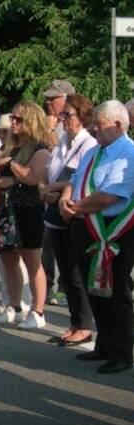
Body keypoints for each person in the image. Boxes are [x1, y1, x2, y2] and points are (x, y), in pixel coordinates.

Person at [60, 100, 134, 374]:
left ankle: (121, 351)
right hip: (84, 224)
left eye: (98, 125)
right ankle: (104, 344)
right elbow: (75, 180)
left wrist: (74, 209)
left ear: (117, 125)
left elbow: (110, 195)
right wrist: (66, 202)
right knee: (95, 288)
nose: (93, 129)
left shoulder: (128, 153)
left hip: (112, 229)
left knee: (115, 291)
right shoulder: (96, 151)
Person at [40, 94, 97, 346]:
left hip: (73, 214)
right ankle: (75, 323)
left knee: (75, 273)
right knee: (65, 269)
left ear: (82, 118)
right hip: (54, 212)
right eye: (63, 115)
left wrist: (54, 186)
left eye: (68, 115)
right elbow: (49, 170)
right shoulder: (63, 140)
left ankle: (84, 325)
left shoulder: (88, 144)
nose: (63, 120)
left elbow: (79, 178)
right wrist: (45, 188)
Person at [0, 101, 52, 329]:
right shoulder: (10, 146)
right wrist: (1, 177)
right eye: (13, 118)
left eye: (19, 119)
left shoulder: (41, 148)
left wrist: (13, 166)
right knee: (8, 258)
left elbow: (32, 177)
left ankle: (37, 311)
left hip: (30, 210)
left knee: (32, 261)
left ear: (31, 122)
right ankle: (14, 306)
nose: (13, 123)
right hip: (7, 209)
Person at [42, 79, 76, 304]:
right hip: (48, 190)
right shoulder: (47, 121)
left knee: (68, 246)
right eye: (47, 98)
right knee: (47, 244)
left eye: (52, 98)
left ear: (65, 99)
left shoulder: (72, 124)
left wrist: (52, 129)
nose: (48, 102)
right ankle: (47, 286)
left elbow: (59, 153)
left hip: (68, 193)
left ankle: (66, 288)